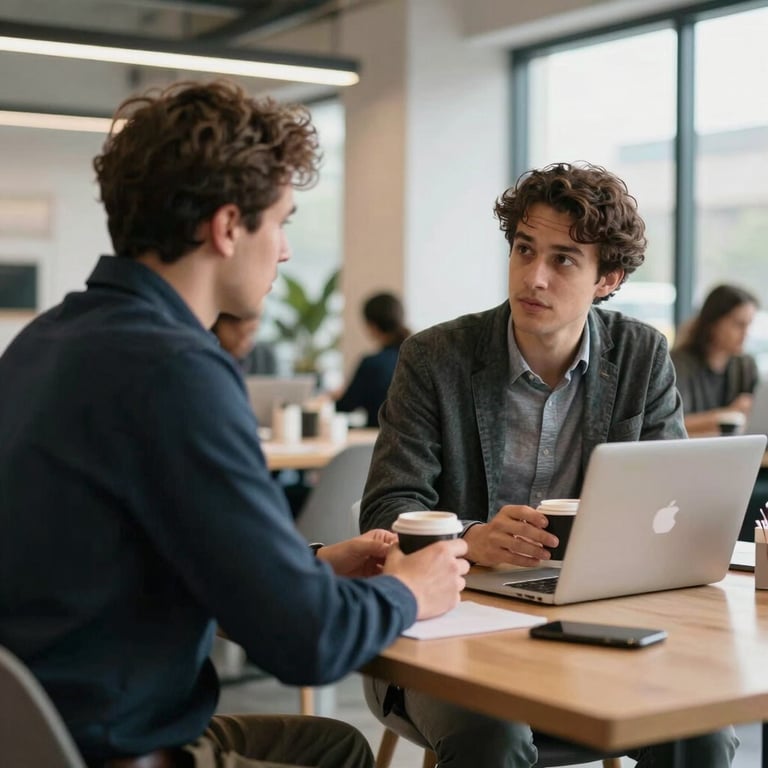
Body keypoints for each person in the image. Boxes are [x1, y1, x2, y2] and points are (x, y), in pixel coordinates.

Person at [0, 80, 469, 768]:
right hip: (116, 746)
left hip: (34, 729)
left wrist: (309, 568)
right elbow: (306, 646)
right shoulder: (176, 371)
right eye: (279, 222)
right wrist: (410, 591)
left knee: (331, 743)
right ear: (226, 228)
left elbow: (137, 561)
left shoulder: (45, 341)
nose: (282, 251)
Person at [359, 162, 738, 768]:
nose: (532, 276)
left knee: (704, 734)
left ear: (607, 278)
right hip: (448, 628)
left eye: (563, 259)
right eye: (524, 249)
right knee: (496, 738)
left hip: (592, 627)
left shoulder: (641, 355)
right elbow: (386, 510)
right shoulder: (436, 358)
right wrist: (470, 539)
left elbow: (672, 508)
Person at [671, 284, 759, 435]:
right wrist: (729, 415)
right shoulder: (677, 364)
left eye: (748, 325)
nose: (746, 333)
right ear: (713, 323)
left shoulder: (746, 365)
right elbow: (673, 423)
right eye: (739, 325)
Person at [332, 292, 410, 427]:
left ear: (372, 326)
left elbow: (346, 405)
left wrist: (333, 397)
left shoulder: (372, 364)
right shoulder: (417, 359)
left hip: (378, 440)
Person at [212, 306, 278, 375]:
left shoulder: (264, 357)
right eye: (236, 332)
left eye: (250, 333)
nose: (243, 343)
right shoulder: (207, 357)